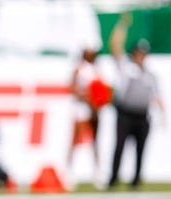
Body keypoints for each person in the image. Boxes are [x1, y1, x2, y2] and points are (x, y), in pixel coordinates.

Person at [107, 13, 165, 189]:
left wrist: (163, 114)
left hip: (142, 116)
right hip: (125, 114)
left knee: (141, 149)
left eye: (144, 53)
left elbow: (157, 96)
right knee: (119, 148)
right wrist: (122, 25)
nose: (141, 56)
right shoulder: (126, 67)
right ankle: (113, 179)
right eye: (139, 52)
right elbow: (115, 46)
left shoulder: (151, 75)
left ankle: (136, 181)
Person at [66, 45, 111, 189]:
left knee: (95, 141)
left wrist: (100, 99)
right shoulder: (79, 68)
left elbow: (103, 89)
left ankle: (98, 173)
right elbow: (73, 88)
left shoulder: (98, 69)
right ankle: (69, 172)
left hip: (94, 110)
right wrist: (88, 97)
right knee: (75, 140)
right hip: (81, 109)